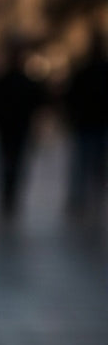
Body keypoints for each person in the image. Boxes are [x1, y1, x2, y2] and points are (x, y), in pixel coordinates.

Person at [0, 41, 47, 218]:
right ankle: (11, 194)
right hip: (18, 128)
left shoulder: (3, 81)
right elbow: (38, 102)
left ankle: (6, 193)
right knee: (16, 161)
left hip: (6, 127)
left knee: (5, 160)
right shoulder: (25, 82)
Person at [62, 31, 108, 214]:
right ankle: (91, 197)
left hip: (87, 123)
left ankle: (81, 198)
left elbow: (71, 97)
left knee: (83, 163)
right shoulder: (93, 70)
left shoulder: (83, 70)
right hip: (94, 123)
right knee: (95, 164)